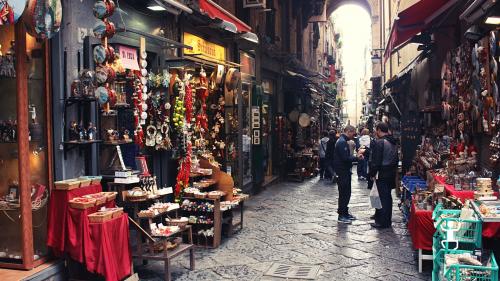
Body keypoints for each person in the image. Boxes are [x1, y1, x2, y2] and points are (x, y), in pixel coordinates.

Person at [369, 122, 398, 229]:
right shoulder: (393, 141)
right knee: (387, 197)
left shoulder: (380, 142)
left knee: (382, 197)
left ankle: (383, 222)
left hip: (382, 173)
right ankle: (386, 220)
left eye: (376, 130)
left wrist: (372, 173)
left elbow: (376, 161)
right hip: (390, 172)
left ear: (379, 130)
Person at [333, 125, 364, 224]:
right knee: (344, 193)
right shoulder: (342, 142)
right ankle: (341, 215)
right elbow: (345, 158)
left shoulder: (343, 141)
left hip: (344, 171)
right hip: (342, 171)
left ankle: (345, 212)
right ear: (349, 131)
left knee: (347, 192)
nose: (353, 135)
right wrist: (357, 158)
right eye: (353, 133)